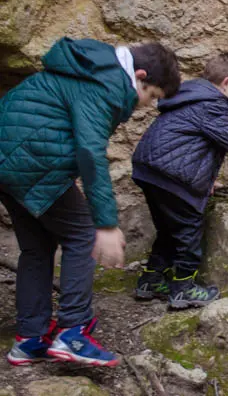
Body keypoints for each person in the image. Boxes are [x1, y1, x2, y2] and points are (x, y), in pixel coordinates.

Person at [0, 37, 181, 367]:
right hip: (35, 162)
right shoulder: (108, 83)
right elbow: (90, 152)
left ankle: (29, 338)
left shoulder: (89, 66)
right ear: (139, 76)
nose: (146, 105)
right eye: (151, 95)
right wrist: (107, 224)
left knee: (37, 247)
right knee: (83, 236)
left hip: (7, 164)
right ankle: (73, 331)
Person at [131, 51, 228, 309]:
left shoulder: (190, 98)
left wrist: (206, 179)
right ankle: (184, 288)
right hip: (171, 175)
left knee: (168, 230)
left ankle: (150, 281)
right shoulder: (212, 103)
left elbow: (192, 145)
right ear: (227, 82)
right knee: (188, 231)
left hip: (151, 170)